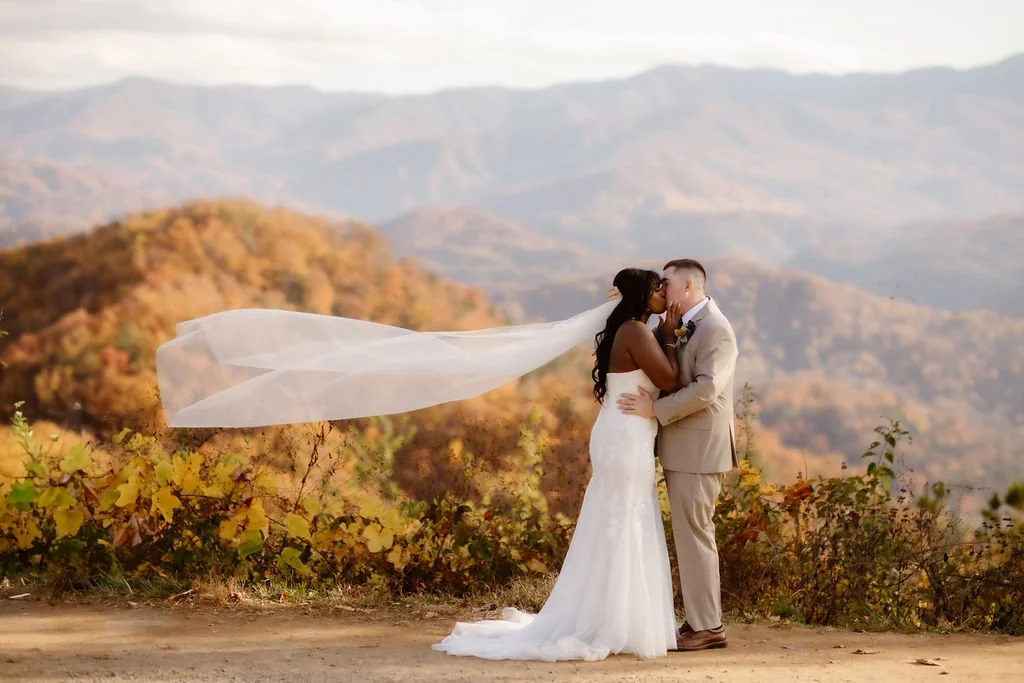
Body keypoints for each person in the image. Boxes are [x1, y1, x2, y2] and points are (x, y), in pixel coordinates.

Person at [432, 268, 682, 661]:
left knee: (622, 516)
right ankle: (613, 619)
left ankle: (618, 616)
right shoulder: (636, 330)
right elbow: (668, 379)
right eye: (656, 289)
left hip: (625, 430)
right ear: (640, 296)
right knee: (623, 517)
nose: (663, 295)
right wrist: (669, 334)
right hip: (625, 435)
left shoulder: (632, 327)